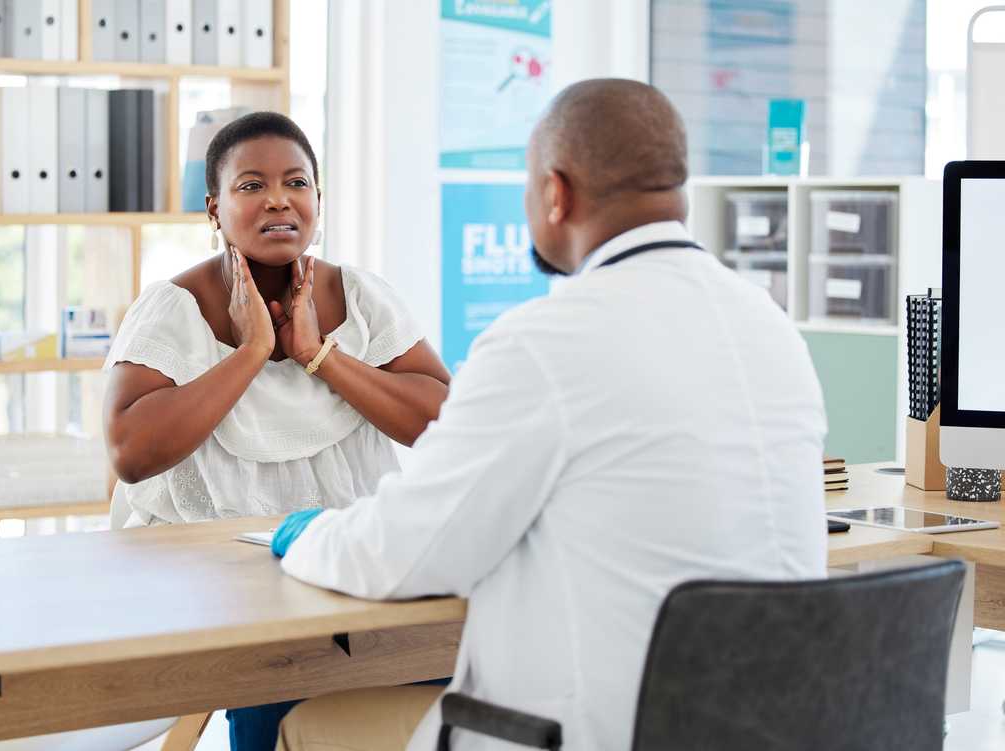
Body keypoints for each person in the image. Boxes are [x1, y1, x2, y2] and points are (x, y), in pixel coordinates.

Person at [267, 79, 829, 750]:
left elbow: (400, 553)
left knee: (309, 727)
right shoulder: (769, 325)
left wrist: (304, 535)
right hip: (767, 729)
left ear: (556, 193)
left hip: (592, 735)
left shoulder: (544, 341)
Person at [101, 112, 451, 750]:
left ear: (319, 198)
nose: (278, 200)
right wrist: (251, 352)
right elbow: (131, 452)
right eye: (251, 186)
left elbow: (439, 420)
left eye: (296, 183)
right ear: (214, 208)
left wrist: (320, 355)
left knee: (445, 657)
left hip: (344, 564)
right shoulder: (173, 306)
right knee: (281, 669)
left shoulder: (361, 297)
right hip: (213, 579)